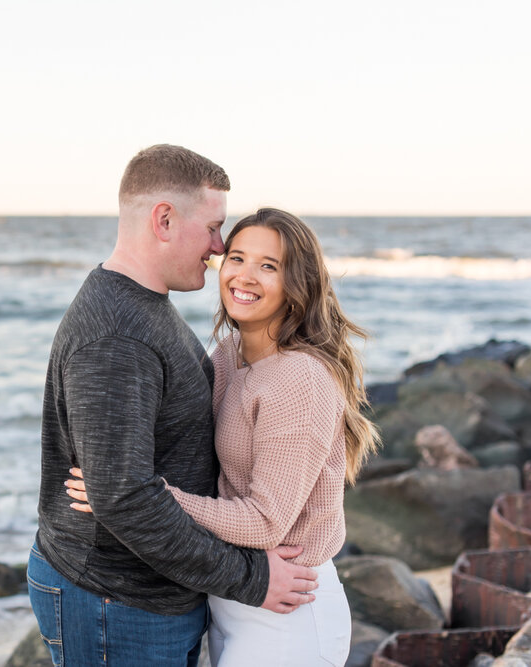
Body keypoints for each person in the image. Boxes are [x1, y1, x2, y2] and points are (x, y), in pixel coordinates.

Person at [29, 146, 320, 667]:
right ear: (164, 219)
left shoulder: (148, 306)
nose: (217, 246)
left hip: (146, 597)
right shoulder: (118, 335)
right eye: (213, 227)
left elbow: (125, 488)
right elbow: (124, 498)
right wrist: (250, 579)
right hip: (115, 600)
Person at [66, 207, 381, 665]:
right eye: (236, 257)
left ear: (300, 284)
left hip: (289, 604)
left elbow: (265, 522)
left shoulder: (300, 378)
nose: (245, 276)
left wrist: (139, 497)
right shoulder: (230, 354)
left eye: (269, 266)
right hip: (236, 594)